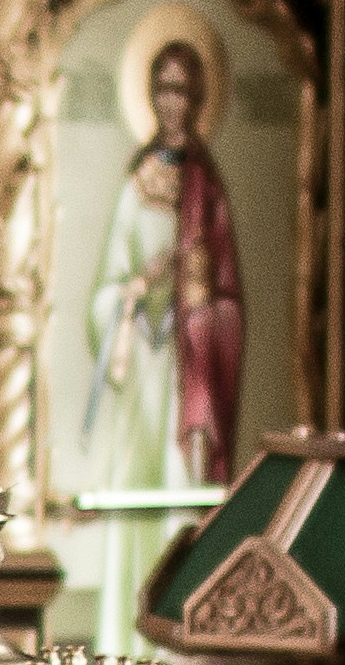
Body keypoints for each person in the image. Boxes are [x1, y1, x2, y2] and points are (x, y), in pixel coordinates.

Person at [84, 31, 248, 497]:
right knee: (133, 468)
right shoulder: (136, 183)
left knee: (180, 477)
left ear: (196, 99)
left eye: (181, 91)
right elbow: (109, 281)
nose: (172, 102)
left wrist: (199, 307)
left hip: (187, 352)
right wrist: (132, 292)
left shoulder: (206, 185)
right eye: (163, 89)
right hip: (140, 347)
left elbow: (227, 290)